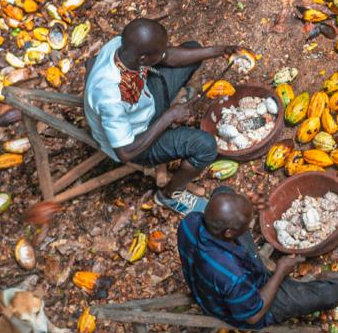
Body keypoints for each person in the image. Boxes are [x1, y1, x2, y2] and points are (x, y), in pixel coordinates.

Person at [84, 18, 232, 216]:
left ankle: (166, 108)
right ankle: (169, 195)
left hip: (148, 101)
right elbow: (125, 152)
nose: (165, 53)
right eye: (160, 53)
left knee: (192, 49)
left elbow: (90, 63)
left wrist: (218, 51)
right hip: (138, 140)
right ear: (143, 59)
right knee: (205, 146)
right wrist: (169, 117)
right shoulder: (110, 97)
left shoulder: (121, 46)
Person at [177, 187, 338, 327]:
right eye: (248, 223)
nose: (251, 223)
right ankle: (334, 283)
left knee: (223, 190)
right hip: (248, 307)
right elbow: (253, 316)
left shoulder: (189, 221)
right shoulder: (233, 276)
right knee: (331, 294)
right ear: (229, 233)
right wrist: (280, 272)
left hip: (211, 277)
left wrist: (247, 206)